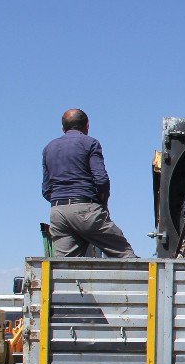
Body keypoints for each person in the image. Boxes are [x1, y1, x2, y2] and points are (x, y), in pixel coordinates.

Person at [42, 109, 135, 257]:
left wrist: (63, 203)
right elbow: (101, 179)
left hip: (58, 212)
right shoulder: (90, 143)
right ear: (87, 125)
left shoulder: (49, 148)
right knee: (125, 254)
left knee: (63, 268)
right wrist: (101, 203)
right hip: (85, 209)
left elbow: (46, 189)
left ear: (63, 128)